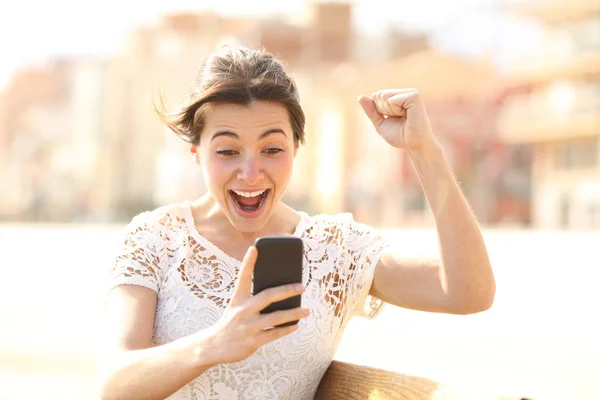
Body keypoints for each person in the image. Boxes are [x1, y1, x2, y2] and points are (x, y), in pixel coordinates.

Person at [99, 46, 496, 400]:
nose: (250, 172)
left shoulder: (335, 249)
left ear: (296, 149)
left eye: (272, 149)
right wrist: (217, 342)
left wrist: (423, 150)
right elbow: (114, 384)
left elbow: (467, 293)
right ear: (196, 154)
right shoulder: (155, 237)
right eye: (227, 151)